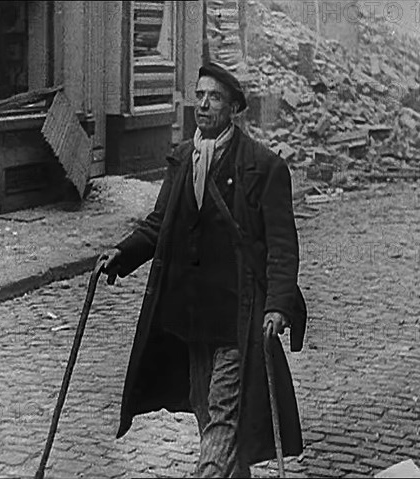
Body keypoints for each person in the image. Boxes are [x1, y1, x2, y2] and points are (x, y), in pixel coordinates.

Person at [98, 62, 307, 478]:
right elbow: (162, 222)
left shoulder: (263, 168)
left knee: (222, 417)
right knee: (204, 407)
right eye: (199, 96)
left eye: (213, 97)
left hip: (236, 315)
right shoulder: (183, 158)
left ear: (233, 108)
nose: (204, 105)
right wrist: (122, 254)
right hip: (191, 314)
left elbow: (282, 246)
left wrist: (278, 305)